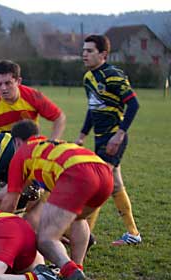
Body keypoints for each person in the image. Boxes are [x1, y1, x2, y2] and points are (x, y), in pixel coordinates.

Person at [0, 120, 113, 280]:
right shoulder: (51, 144)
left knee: (45, 239)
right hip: (104, 173)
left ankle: (71, 272)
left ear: (17, 142)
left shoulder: (21, 154)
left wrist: (1, 229)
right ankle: (77, 268)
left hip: (77, 175)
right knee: (77, 218)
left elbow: (10, 200)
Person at [75, 34, 142, 246]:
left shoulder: (113, 75)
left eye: (90, 51)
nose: (84, 54)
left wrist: (119, 134)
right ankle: (133, 233)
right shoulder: (88, 78)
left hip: (114, 137)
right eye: (84, 50)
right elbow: (92, 108)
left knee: (97, 185)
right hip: (99, 139)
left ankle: (85, 237)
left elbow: (133, 105)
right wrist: (82, 135)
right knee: (114, 186)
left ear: (103, 54)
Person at [0, 60, 66, 140]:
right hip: (0, 156)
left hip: (29, 151)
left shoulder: (33, 97)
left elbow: (59, 118)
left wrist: (52, 142)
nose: (3, 88)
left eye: (8, 83)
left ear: (18, 81)